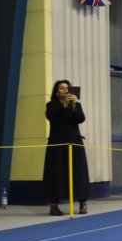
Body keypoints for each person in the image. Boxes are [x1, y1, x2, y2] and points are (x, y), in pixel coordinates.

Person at [42, 80, 89, 216]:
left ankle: (82, 202)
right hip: (57, 143)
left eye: (67, 88)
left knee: (79, 172)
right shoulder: (51, 105)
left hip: (74, 142)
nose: (65, 90)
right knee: (56, 173)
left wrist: (73, 105)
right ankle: (54, 205)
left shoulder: (76, 104)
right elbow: (52, 117)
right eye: (62, 88)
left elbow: (80, 119)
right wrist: (64, 105)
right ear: (57, 92)